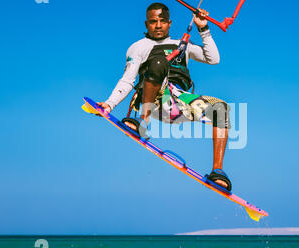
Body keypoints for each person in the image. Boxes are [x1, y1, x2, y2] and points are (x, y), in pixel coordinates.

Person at [97, 3, 232, 191]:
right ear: (146, 24)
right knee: (159, 63)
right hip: (154, 101)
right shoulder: (138, 47)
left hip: (179, 103)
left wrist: (203, 28)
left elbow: (214, 59)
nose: (158, 25)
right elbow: (127, 80)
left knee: (221, 108)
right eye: (153, 22)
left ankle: (217, 171)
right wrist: (109, 105)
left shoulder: (183, 45)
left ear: (169, 23)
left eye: (162, 21)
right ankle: (142, 124)